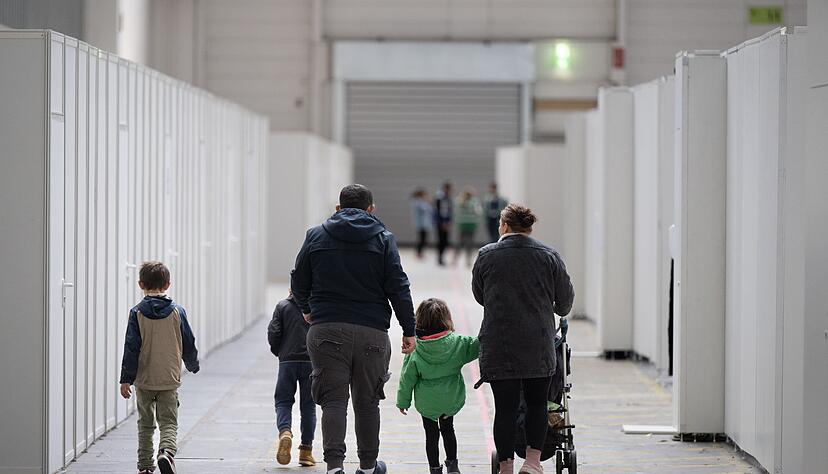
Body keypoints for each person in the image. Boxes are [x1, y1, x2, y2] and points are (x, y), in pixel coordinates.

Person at [291, 184, 417, 474]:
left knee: (333, 401)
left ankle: (335, 467)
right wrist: (408, 329)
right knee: (367, 402)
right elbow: (399, 287)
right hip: (372, 331)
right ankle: (369, 466)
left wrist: (308, 309)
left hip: (326, 329)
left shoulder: (316, 235)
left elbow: (299, 280)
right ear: (371, 209)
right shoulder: (384, 239)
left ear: (338, 208)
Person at [471, 204, 574, 474]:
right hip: (538, 344)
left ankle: (505, 466)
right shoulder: (549, 256)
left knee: (504, 408)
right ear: (529, 228)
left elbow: (480, 296)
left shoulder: (486, 255)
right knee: (537, 403)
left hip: (499, 344)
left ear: (504, 226)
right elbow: (564, 305)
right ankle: (532, 462)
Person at [119, 261, 200, 474]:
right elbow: (188, 341)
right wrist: (192, 364)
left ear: (140, 284)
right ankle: (166, 452)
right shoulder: (177, 312)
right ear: (168, 284)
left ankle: (145, 466)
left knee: (145, 424)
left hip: (144, 380)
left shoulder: (136, 313)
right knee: (168, 421)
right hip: (169, 378)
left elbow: (131, 347)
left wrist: (125, 379)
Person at [396, 298, 480, 474]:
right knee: (449, 430)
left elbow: (407, 378)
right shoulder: (458, 342)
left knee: (431, 435)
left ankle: (434, 468)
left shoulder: (416, 348)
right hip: (450, 398)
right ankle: (453, 465)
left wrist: (403, 402)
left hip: (427, 402)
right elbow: (478, 345)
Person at [268, 286, 317, 467]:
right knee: (308, 407)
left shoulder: (282, 307)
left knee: (283, 401)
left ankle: (285, 432)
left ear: (290, 288)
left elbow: (273, 333)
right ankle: (306, 451)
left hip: (287, 361)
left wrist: (281, 352)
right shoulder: (316, 307)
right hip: (311, 362)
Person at [454, 187, 482, 267]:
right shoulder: (474, 202)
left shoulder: (459, 201)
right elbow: (479, 212)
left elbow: (456, 212)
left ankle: (455, 259)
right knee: (469, 243)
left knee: (459, 242)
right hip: (471, 224)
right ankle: (468, 260)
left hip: (462, 224)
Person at [433, 181, 454, 266]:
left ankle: (442, 257)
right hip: (440, 223)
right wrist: (441, 222)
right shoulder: (439, 198)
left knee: (445, 241)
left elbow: (449, 212)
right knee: (441, 241)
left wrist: (448, 222)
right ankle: (440, 258)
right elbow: (438, 211)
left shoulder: (449, 198)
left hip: (446, 222)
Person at [411, 188, 433, 259]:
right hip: (421, 224)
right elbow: (425, 209)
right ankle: (419, 252)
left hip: (425, 224)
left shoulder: (422, 202)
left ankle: (420, 252)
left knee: (423, 239)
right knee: (421, 239)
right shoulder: (418, 202)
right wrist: (428, 202)